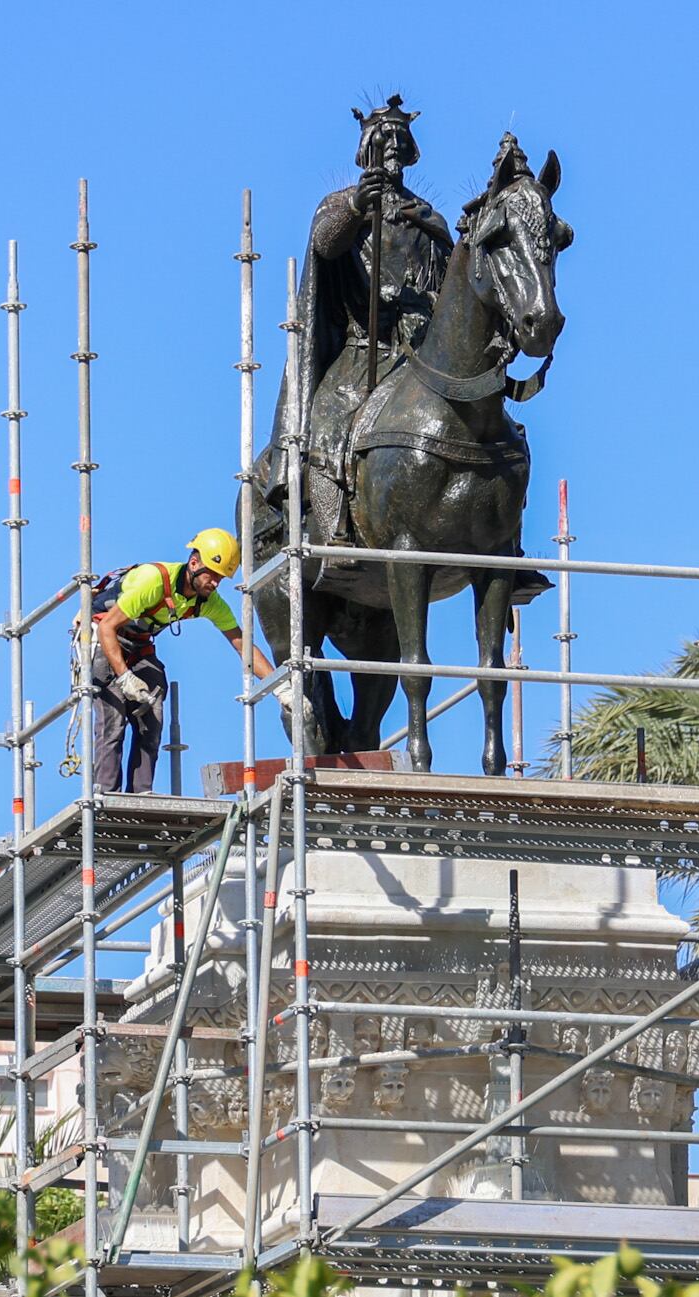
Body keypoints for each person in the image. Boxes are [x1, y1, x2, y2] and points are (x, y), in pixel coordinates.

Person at [259, 94, 454, 546]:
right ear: (366, 148)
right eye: (383, 139)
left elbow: (450, 281)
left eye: (399, 139)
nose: (391, 147)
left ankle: (499, 538)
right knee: (328, 423)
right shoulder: (341, 204)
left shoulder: (426, 219)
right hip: (362, 350)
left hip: (420, 354)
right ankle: (335, 533)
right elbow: (326, 245)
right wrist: (354, 209)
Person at [83, 529, 286, 794]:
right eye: (212, 575)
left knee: (152, 712)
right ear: (194, 563)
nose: (215, 583)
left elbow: (242, 645)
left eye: (221, 578)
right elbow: (107, 628)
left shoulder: (208, 603)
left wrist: (280, 688)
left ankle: (140, 794)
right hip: (103, 640)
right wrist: (124, 677)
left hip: (139, 646)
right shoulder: (153, 581)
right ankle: (105, 795)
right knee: (113, 722)